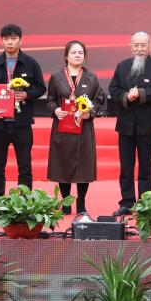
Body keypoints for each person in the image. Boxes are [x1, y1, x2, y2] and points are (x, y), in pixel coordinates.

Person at [0, 24, 46, 197]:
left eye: (14, 38)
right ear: (1, 41)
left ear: (21, 41)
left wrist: (27, 95)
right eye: (6, 39)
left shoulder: (30, 63)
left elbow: (41, 87)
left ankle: (24, 199)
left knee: (24, 165)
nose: (10, 42)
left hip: (22, 124)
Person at [108, 31, 151, 216]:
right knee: (126, 166)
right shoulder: (122, 66)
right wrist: (127, 96)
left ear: (150, 47)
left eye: (143, 45)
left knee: (145, 166)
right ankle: (127, 202)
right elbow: (114, 89)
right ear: (131, 46)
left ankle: (144, 203)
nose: (140, 49)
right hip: (126, 125)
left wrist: (141, 94)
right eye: (136, 45)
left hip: (148, 124)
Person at [45, 40, 105, 215]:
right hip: (62, 126)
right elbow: (50, 99)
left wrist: (89, 112)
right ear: (66, 56)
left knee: (84, 166)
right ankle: (66, 202)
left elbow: (99, 100)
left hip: (83, 128)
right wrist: (55, 109)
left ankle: (81, 203)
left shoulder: (91, 77)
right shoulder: (57, 76)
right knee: (62, 164)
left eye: (80, 53)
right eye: (73, 52)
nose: (77, 55)